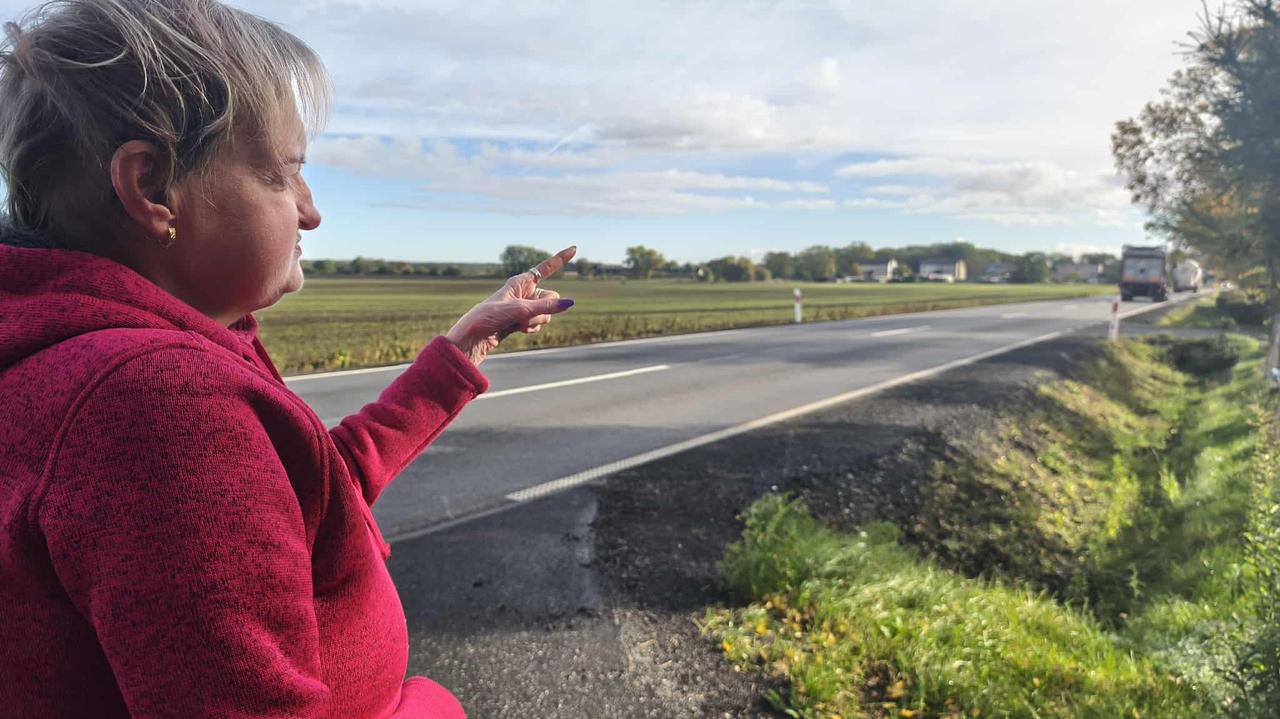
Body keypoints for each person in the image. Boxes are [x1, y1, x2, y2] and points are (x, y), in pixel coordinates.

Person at [0, 1, 575, 716]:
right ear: (151, 187)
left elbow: (304, 497)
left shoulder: (85, 358)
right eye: (283, 174)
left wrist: (455, 357)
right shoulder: (156, 403)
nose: (310, 211)